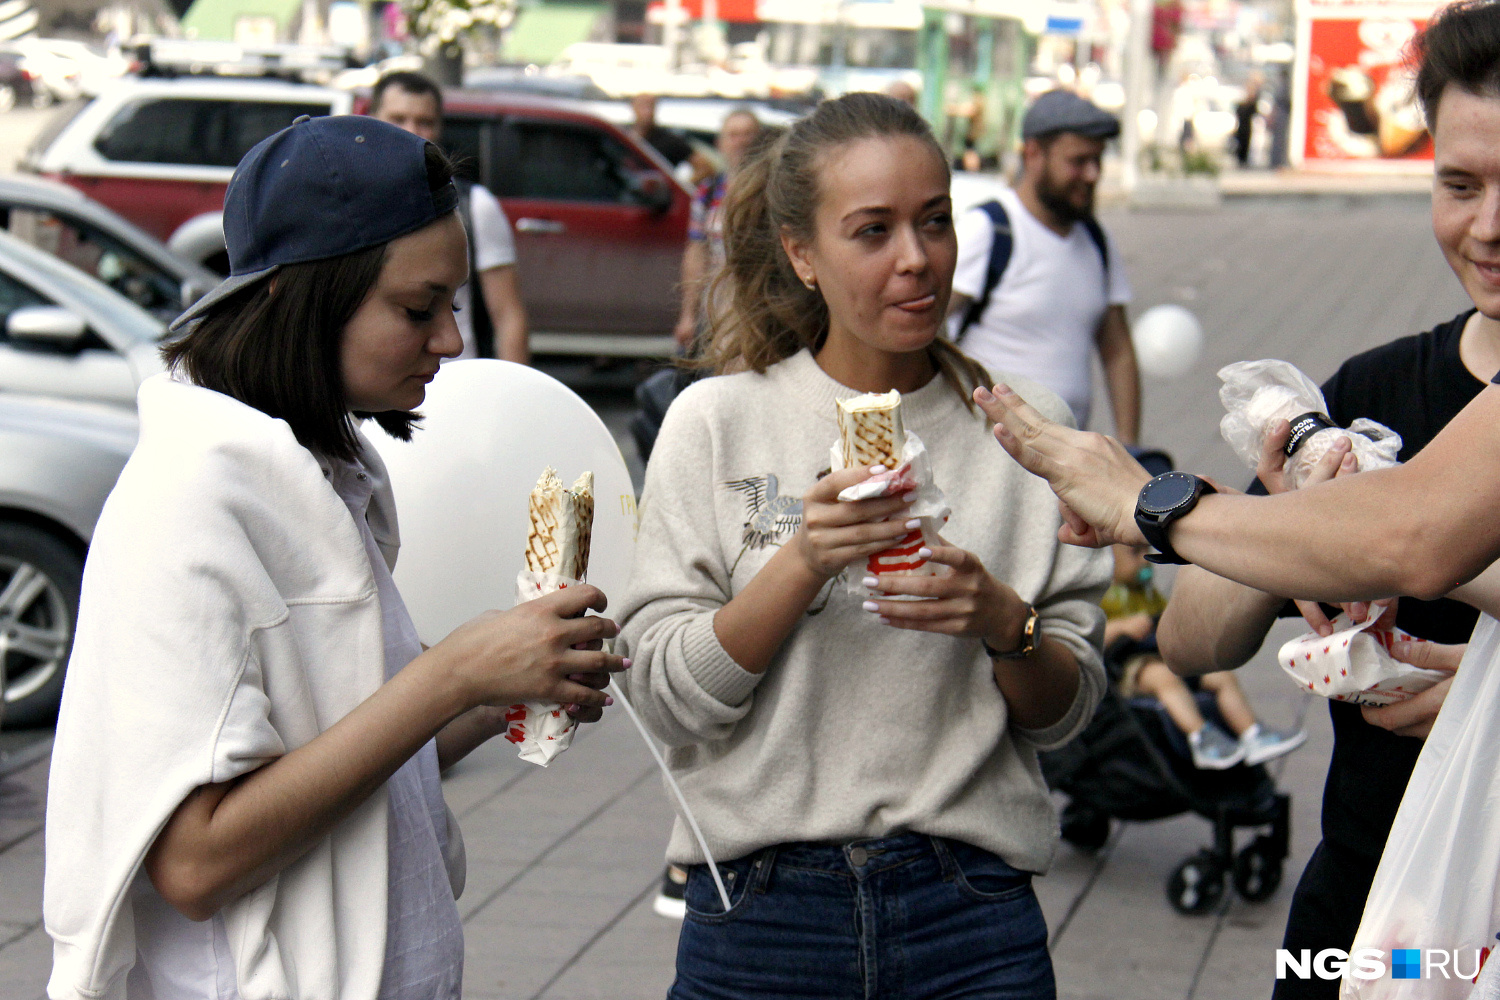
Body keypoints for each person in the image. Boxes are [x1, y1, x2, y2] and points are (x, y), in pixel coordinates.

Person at [42, 116, 626, 1000]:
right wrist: (451, 675)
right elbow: (193, 862)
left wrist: (505, 687)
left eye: (455, 306)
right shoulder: (187, 500)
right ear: (299, 296)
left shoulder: (322, 473)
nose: (452, 341)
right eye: (416, 307)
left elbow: (350, 751)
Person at [617, 91, 1110, 998]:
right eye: (872, 231)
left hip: (971, 907)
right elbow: (668, 702)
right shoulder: (719, 423)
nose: (917, 260)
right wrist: (802, 561)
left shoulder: (1026, 428)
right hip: (760, 913)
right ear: (803, 254)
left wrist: (1005, 623)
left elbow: (1065, 715)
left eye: (935, 222)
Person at [971, 0, 1500, 619]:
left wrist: (1154, 504)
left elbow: (1416, 539)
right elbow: (1189, 639)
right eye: (1459, 186)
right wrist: (1285, 526)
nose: (1488, 227)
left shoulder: (1091, 242)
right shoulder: (1375, 385)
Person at [948, 89, 1141, 442]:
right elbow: (923, 323)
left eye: (1098, 160)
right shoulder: (990, 229)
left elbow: (1117, 351)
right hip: (992, 448)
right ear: (1033, 153)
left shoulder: (1096, 240)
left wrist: (1131, 447)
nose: (1092, 174)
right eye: (1078, 161)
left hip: (1067, 453)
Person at [370, 71, 530, 364]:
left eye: (425, 122)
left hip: (456, 385)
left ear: (439, 129)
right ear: (372, 120)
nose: (412, 131)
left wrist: (511, 400)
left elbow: (508, 317)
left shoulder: (474, 207)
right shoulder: (348, 203)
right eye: (398, 118)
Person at [1104, 541, 1304, 770]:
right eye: (1134, 553)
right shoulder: (1104, 595)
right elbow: (1092, 633)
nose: (1143, 560)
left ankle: (1252, 732)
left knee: (1221, 677)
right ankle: (1201, 736)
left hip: (1159, 655)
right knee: (1162, 678)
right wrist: (1120, 627)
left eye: (1146, 552)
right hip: (1130, 666)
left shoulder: (1146, 592)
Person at [673, 107, 763, 352]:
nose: (741, 142)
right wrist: (688, 315)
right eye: (733, 135)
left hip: (762, 312)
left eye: (748, 134)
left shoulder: (773, 191)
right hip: (717, 311)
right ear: (720, 144)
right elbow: (696, 251)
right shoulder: (708, 192)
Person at [630, 92, 695, 170]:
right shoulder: (624, 137)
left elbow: (704, 166)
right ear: (633, 107)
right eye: (642, 106)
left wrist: (684, 182)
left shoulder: (669, 141)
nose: (647, 111)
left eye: (650, 106)